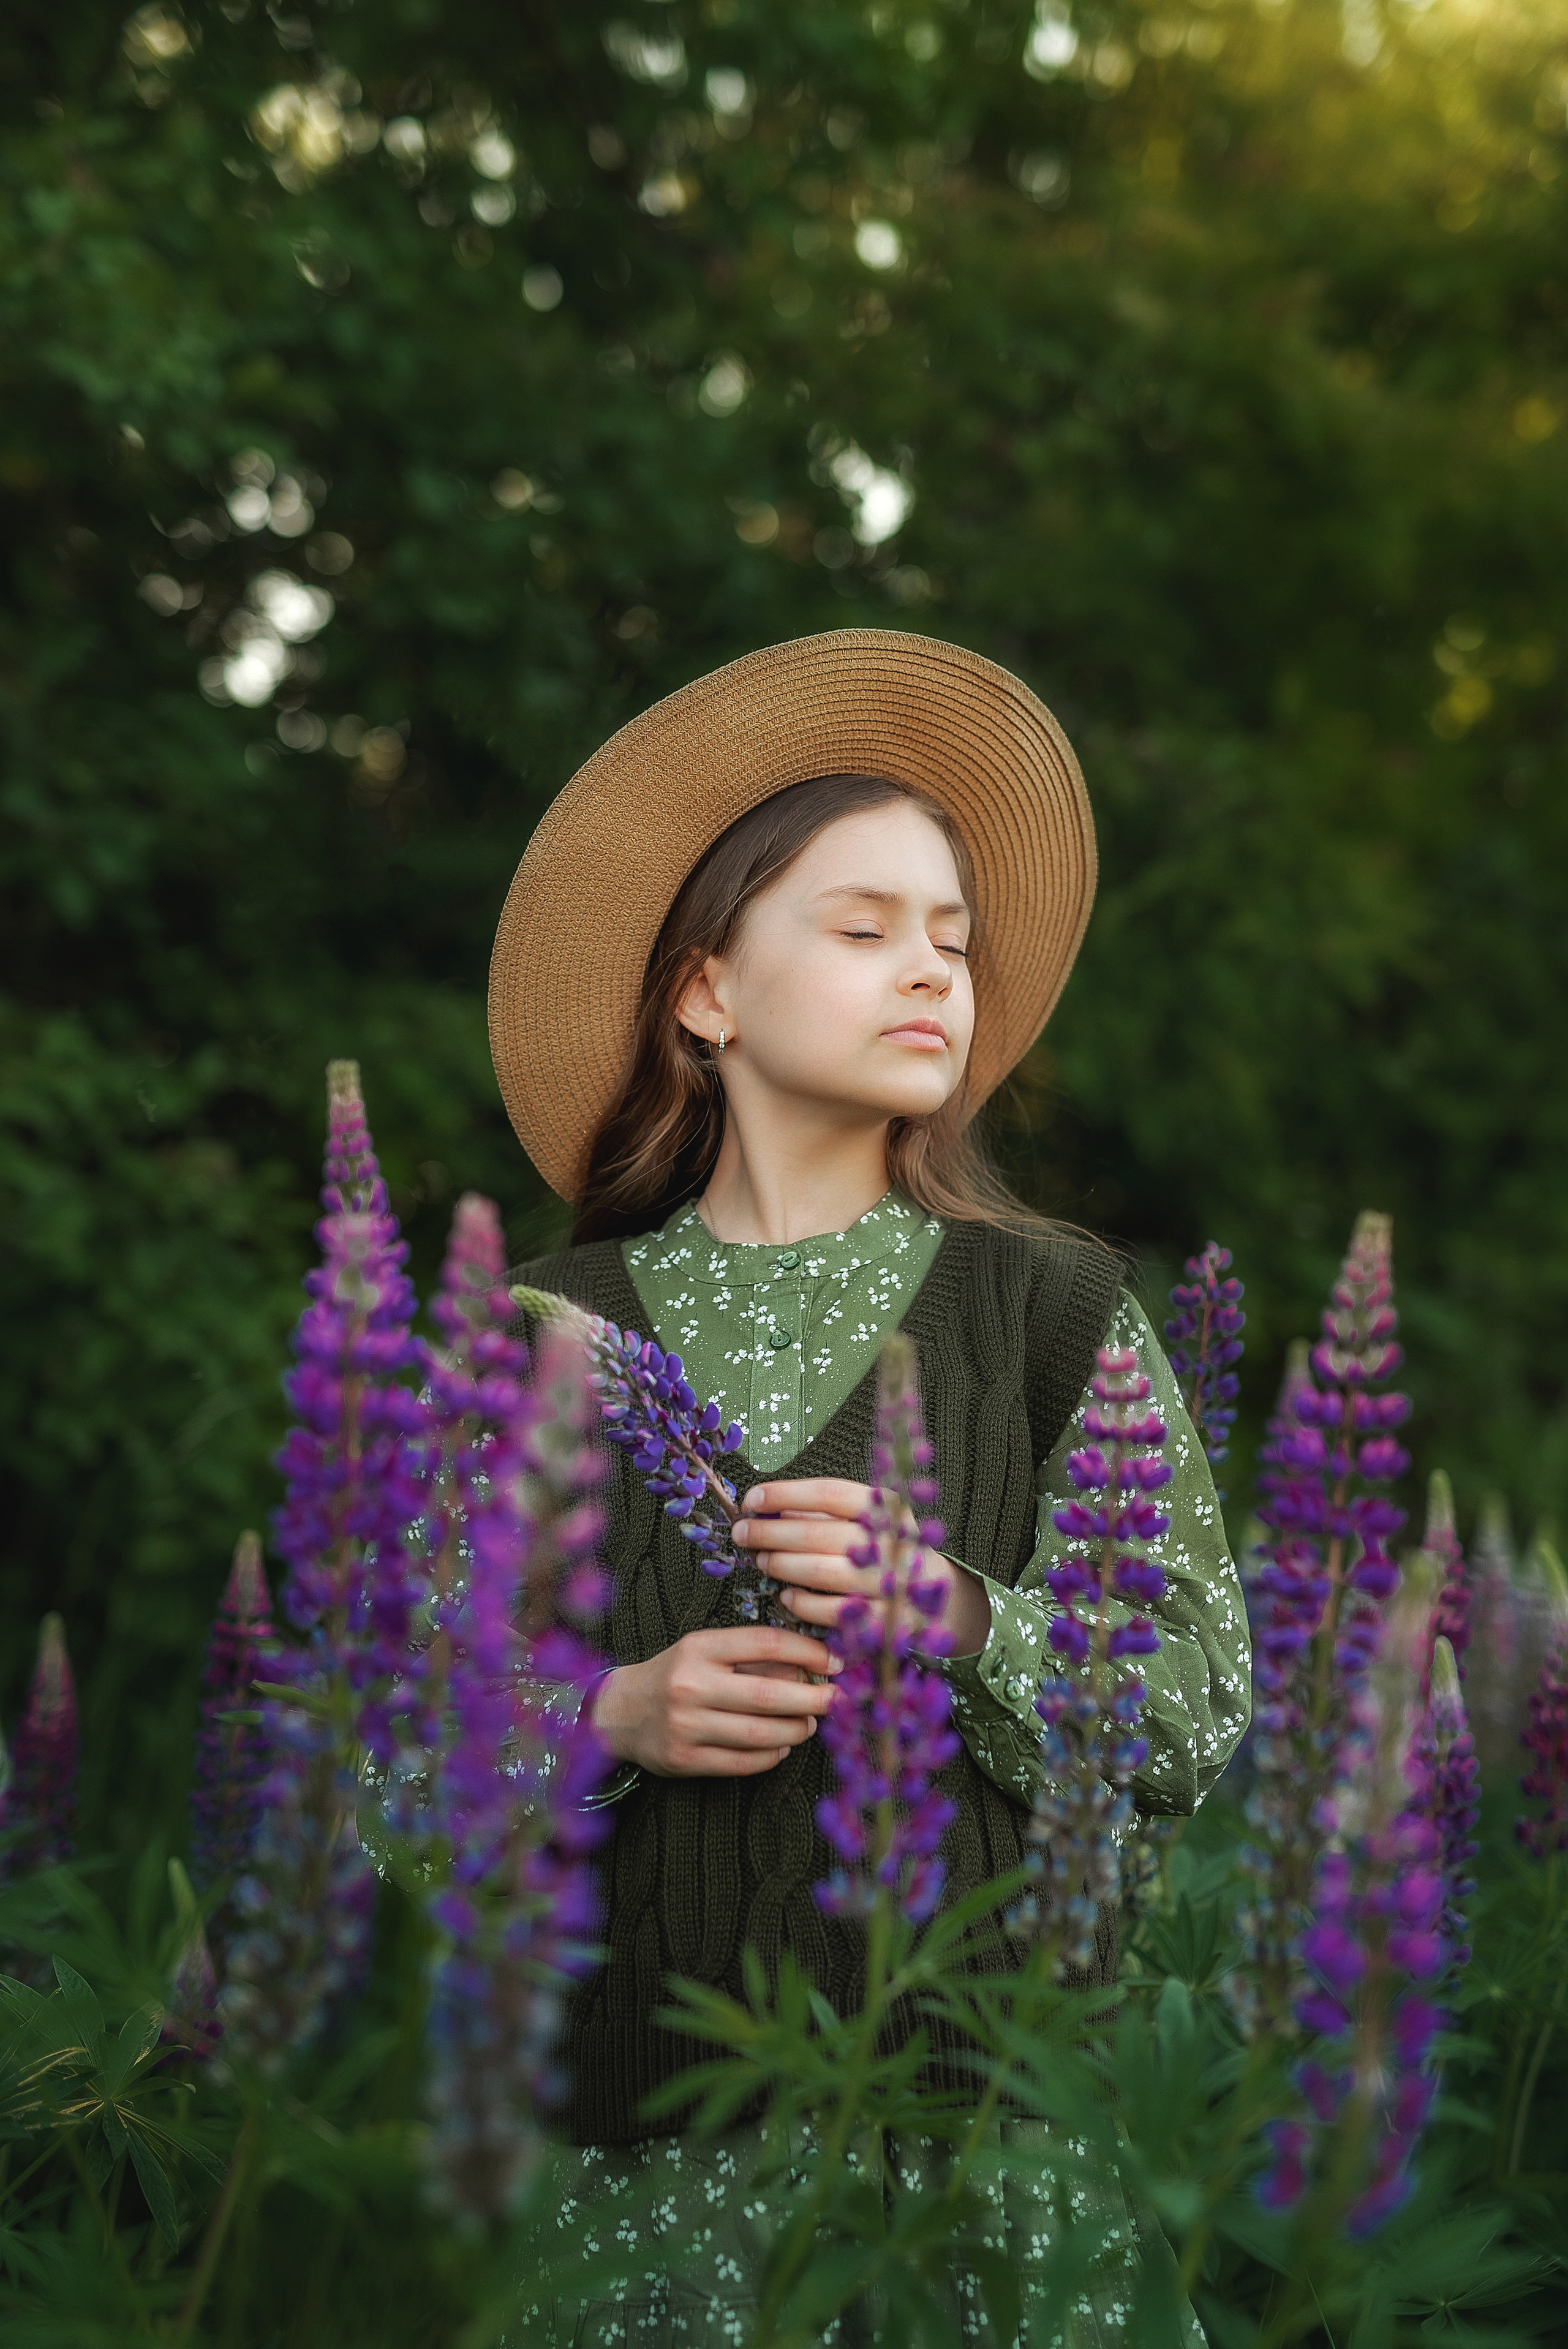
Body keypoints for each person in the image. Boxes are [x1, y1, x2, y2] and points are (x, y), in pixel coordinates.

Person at [489, 628, 1251, 2344]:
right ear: (707, 989)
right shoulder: (542, 1329)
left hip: (995, 2161)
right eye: (865, 927)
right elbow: (382, 1745)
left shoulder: (1055, 1308)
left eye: (955, 940)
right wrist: (607, 1710)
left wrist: (967, 1615)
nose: (934, 971)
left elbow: (1199, 1710)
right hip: (648, 2181)